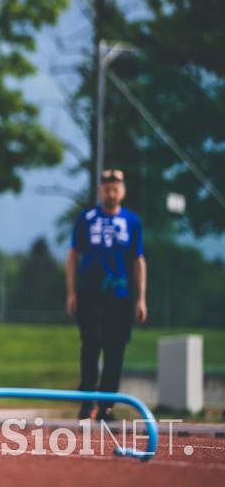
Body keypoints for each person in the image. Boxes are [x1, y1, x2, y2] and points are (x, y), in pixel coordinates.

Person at [65, 169, 148, 421]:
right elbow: (73, 255)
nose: (111, 192)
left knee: (115, 348)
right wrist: (71, 292)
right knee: (91, 342)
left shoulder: (131, 221)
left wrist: (141, 297)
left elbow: (138, 259)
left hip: (120, 294)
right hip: (90, 292)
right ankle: (86, 400)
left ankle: (107, 406)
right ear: (100, 190)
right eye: (106, 188)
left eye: (116, 188)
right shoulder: (87, 218)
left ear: (122, 192)